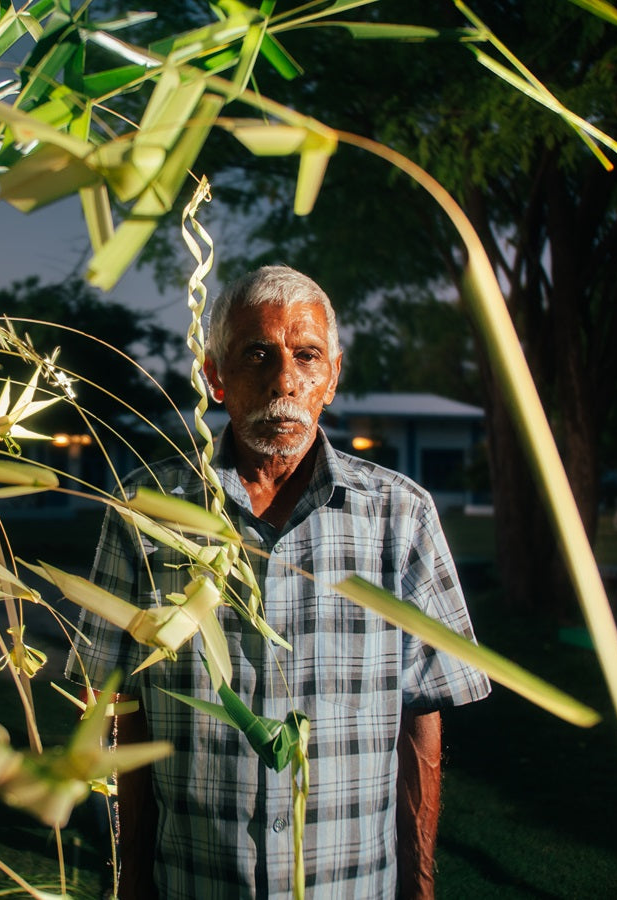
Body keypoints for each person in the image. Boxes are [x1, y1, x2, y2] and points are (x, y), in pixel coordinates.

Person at [67, 265, 490, 898]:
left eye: (306, 355)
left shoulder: (400, 516)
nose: (284, 380)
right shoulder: (147, 512)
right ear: (214, 376)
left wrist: (420, 883)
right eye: (257, 355)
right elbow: (123, 711)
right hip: (196, 883)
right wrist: (132, 882)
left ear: (333, 377)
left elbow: (422, 710)